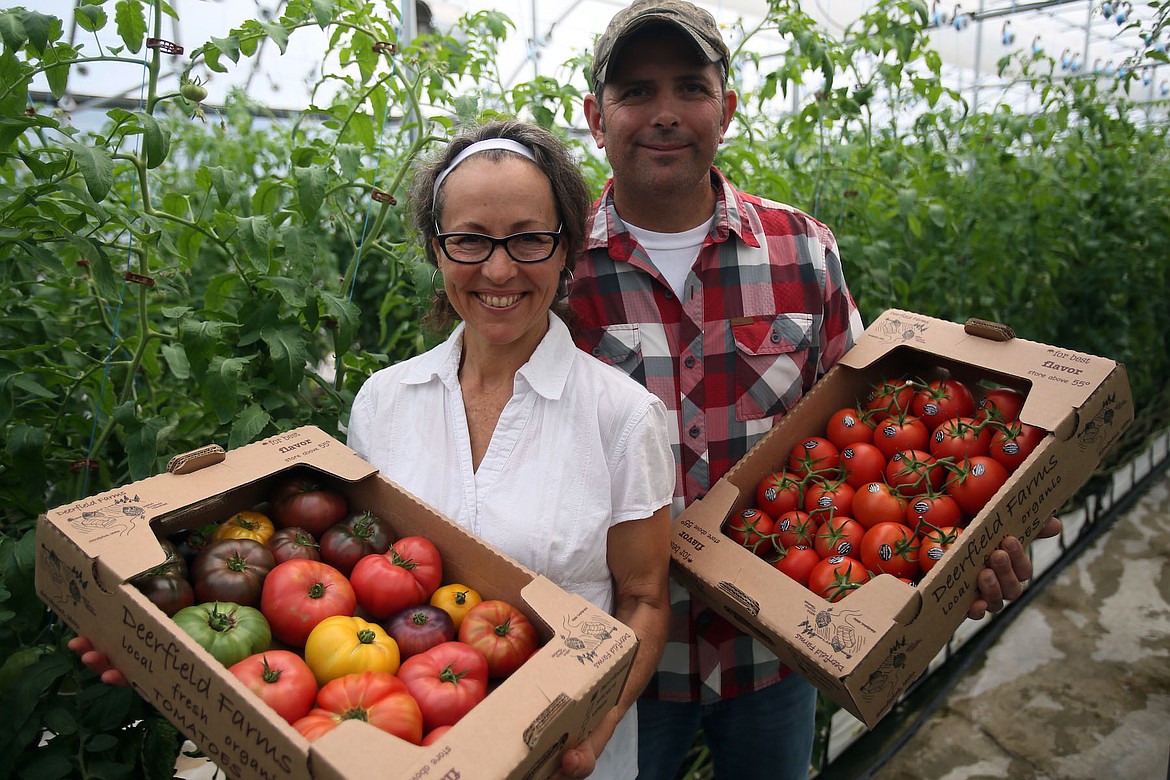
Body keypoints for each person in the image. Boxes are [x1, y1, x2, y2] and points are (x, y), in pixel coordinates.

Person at [74, 120, 676, 780]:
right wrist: (166, 645)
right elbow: (353, 594)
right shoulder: (386, 402)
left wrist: (599, 721)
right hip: (403, 744)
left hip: (559, 756)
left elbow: (643, 600)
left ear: (567, 249)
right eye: (469, 240)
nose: (499, 268)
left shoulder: (621, 416)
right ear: (435, 250)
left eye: (530, 238)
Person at [567, 2, 1059, 779]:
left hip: (784, 640)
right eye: (635, 92)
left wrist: (961, 548)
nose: (664, 114)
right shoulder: (554, 275)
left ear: (726, 109)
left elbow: (873, 429)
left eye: (690, 88)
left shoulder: (801, 249)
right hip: (621, 657)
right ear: (596, 117)